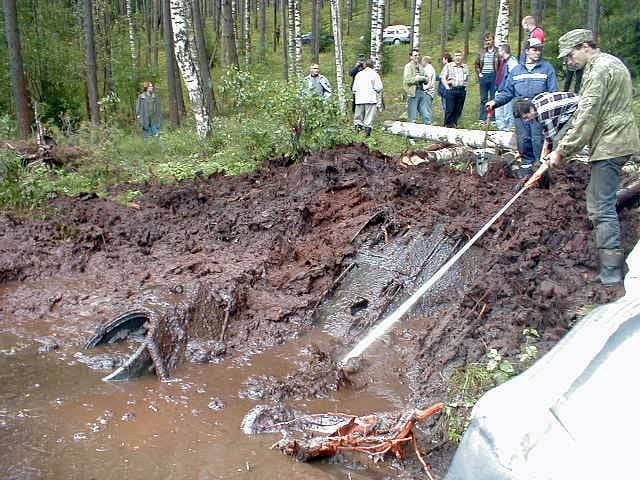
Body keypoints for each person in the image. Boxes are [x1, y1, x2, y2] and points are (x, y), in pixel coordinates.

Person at [528, 29, 640, 286]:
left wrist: (562, 151)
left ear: (583, 46)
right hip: (615, 140)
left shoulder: (599, 70)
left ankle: (611, 273)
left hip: (612, 144)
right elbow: (583, 114)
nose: (569, 62)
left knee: (600, 205)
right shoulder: (609, 63)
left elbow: (587, 116)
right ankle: (611, 266)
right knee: (600, 199)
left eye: (569, 56)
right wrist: (559, 146)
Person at [486, 37, 558, 176]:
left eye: (539, 50)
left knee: (538, 139)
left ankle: (541, 168)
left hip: (538, 112)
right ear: (526, 51)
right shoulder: (517, 70)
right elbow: (508, 92)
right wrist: (495, 102)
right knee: (523, 139)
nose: (537, 52)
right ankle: (526, 166)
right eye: (534, 49)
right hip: (520, 111)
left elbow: (553, 92)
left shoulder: (547, 68)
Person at [513, 91, 580, 157]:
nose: (527, 120)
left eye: (526, 117)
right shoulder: (536, 100)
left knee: (557, 141)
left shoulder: (543, 114)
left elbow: (551, 136)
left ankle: (561, 161)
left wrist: (547, 153)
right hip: (574, 98)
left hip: (578, 108)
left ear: (530, 109)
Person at [352, 59, 384, 137]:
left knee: (358, 117)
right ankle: (367, 134)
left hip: (359, 99)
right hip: (370, 99)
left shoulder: (359, 74)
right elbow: (379, 87)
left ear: (365, 65)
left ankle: (357, 132)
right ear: (373, 65)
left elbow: (354, 89)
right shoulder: (374, 74)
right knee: (368, 118)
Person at [440, 51, 469, 128]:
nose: (458, 57)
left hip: (462, 90)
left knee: (458, 110)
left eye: (459, 56)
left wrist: (465, 87)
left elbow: (467, 78)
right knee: (450, 109)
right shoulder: (449, 66)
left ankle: (454, 124)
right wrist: (447, 87)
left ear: (462, 57)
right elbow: (443, 77)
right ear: (454, 57)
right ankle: (447, 125)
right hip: (452, 90)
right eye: (456, 56)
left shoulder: (465, 66)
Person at [475, 33, 500, 121]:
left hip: (494, 76)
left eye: (489, 40)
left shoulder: (497, 51)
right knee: (483, 98)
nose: (488, 42)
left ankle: (493, 118)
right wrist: (479, 74)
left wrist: (498, 76)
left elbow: (500, 65)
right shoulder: (482, 52)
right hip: (484, 76)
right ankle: (482, 118)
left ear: (493, 40)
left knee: (493, 98)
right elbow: (477, 64)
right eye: (486, 40)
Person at [402, 49, 431, 124]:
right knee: (412, 115)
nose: (417, 57)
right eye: (415, 55)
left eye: (418, 55)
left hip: (421, 92)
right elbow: (407, 80)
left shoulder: (421, 66)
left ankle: (428, 129)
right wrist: (417, 78)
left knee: (425, 113)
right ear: (411, 57)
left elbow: (426, 78)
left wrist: (423, 79)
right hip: (412, 93)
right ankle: (410, 132)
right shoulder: (408, 66)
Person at [494, 43, 519, 131]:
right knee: (499, 114)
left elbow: (514, 77)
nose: (498, 52)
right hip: (499, 89)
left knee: (507, 113)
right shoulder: (503, 61)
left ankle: (508, 130)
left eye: (500, 50)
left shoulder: (512, 62)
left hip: (507, 91)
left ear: (504, 51)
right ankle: (501, 131)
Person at [421, 55, 437, 125]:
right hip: (428, 91)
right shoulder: (430, 68)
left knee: (426, 109)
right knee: (426, 108)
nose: (421, 63)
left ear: (425, 61)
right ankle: (427, 122)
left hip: (427, 92)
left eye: (422, 61)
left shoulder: (429, 69)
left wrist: (424, 89)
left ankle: (428, 123)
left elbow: (428, 81)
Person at [437, 53, 452, 122]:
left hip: (445, 90)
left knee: (446, 106)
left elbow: (442, 78)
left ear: (446, 59)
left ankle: (447, 121)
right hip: (445, 90)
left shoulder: (447, 67)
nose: (442, 60)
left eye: (443, 59)